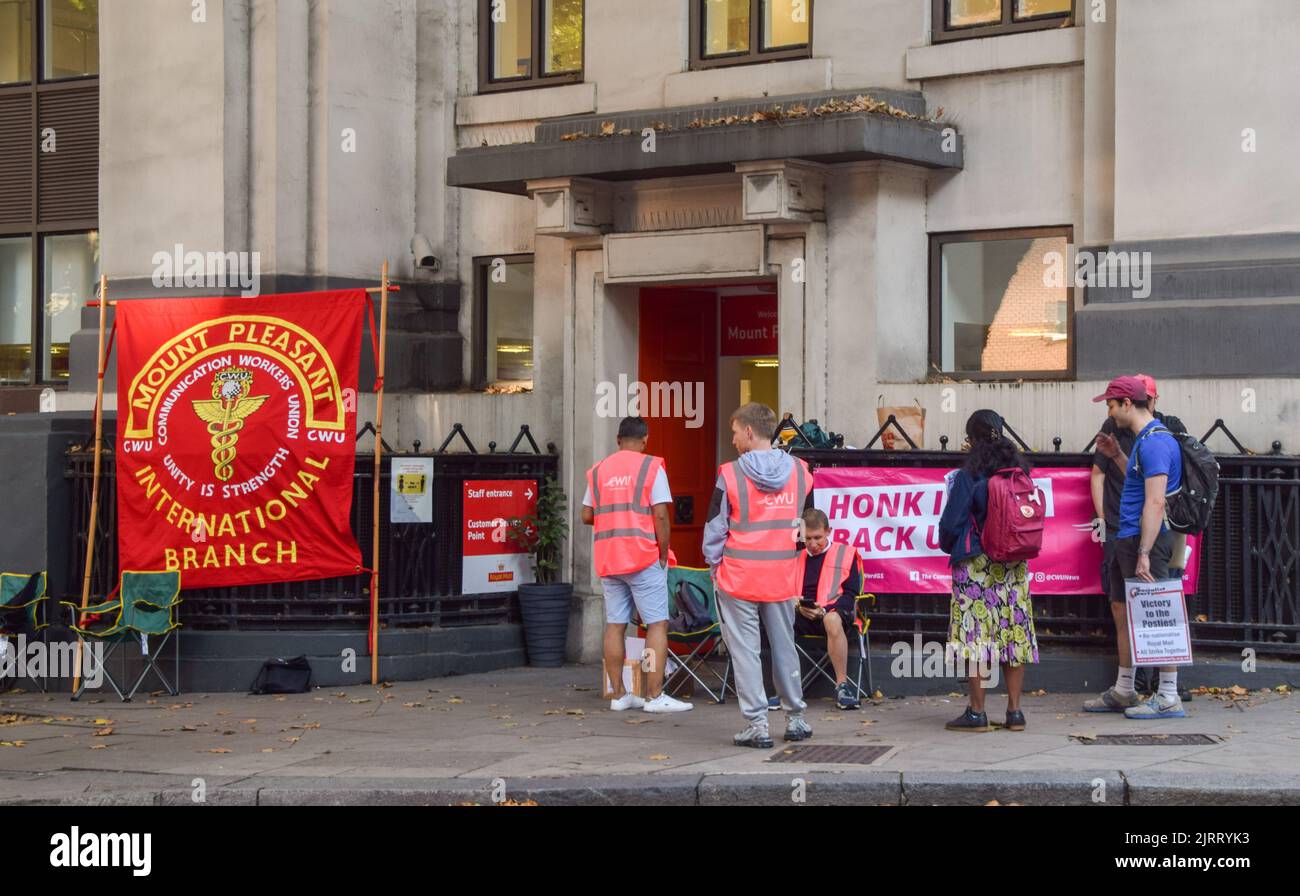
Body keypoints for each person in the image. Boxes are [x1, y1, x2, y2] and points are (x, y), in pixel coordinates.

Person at [703, 403, 813, 748]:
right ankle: (795, 718)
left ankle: (757, 724)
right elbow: (804, 526)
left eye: (735, 432)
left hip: (739, 576)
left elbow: (714, 527)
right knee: (784, 645)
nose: (733, 439)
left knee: (746, 652)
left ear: (749, 432)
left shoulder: (731, 474)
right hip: (781, 573)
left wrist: (714, 565)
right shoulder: (800, 472)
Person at [1084, 377, 1187, 719]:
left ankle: (1169, 695)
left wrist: (1144, 551)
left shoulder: (1157, 441)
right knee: (1126, 612)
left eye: (1111, 405)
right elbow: (1139, 483)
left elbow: (1156, 501)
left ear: (1127, 403)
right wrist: (1115, 456)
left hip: (1145, 541)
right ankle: (1125, 690)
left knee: (1158, 614)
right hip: (1126, 537)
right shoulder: (1145, 440)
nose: (1109, 412)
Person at [938, 410, 1040, 732]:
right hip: (1014, 563)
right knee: (1014, 633)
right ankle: (1015, 712)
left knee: (977, 637)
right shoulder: (1019, 470)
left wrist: (948, 544)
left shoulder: (971, 474)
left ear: (973, 439)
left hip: (977, 564)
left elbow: (951, 523)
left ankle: (977, 713)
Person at [582, 417, 693, 714]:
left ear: (618, 439)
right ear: (645, 440)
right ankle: (654, 696)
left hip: (609, 558)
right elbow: (660, 515)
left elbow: (586, 514)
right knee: (656, 624)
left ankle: (619, 694)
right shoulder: (651, 467)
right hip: (643, 556)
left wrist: (614, 520)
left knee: (616, 625)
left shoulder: (598, 471)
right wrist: (663, 552)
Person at [793, 508, 864, 710]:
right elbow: (783, 593)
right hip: (801, 614)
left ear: (829, 531)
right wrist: (797, 605)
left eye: (818, 538)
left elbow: (850, 595)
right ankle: (786, 689)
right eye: (807, 539)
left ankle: (842, 686)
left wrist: (824, 610)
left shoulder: (846, 554)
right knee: (777, 619)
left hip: (835, 616)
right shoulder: (794, 558)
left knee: (831, 619)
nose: (813, 544)